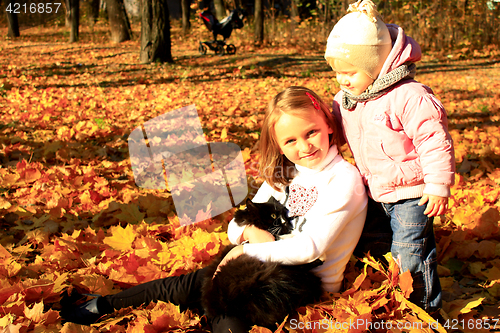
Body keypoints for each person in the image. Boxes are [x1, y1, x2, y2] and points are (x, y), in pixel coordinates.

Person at [60, 86, 368, 331]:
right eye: (290, 141)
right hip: (258, 269)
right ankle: (102, 306)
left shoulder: (343, 180)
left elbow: (310, 248)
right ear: (278, 145)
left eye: (310, 132)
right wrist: (249, 233)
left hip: (297, 290)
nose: (303, 147)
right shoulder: (287, 173)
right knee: (184, 284)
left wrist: (246, 251)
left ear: (328, 123)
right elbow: (235, 224)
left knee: (227, 316)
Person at [324, 0, 455, 314]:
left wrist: (437, 185)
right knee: (372, 242)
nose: (342, 79)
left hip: (413, 194)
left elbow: (434, 140)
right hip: (375, 191)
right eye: (337, 72)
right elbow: (337, 135)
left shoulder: (409, 96)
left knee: (411, 252)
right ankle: (383, 293)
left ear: (375, 66)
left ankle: (422, 308)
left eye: (349, 72)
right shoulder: (347, 100)